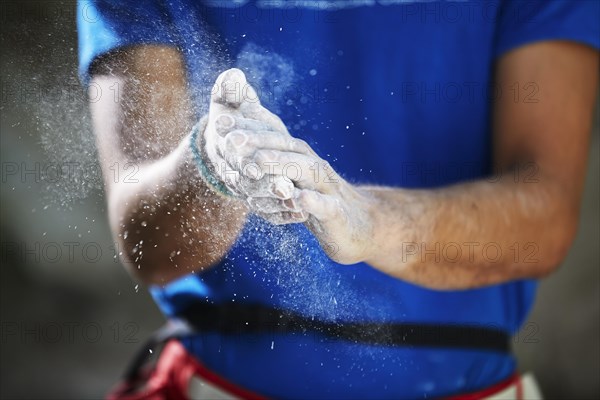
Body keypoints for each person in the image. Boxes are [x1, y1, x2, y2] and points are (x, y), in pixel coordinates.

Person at [78, 0, 599, 398]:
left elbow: (545, 213)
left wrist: (373, 222)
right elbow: (149, 243)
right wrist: (212, 164)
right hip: (216, 385)